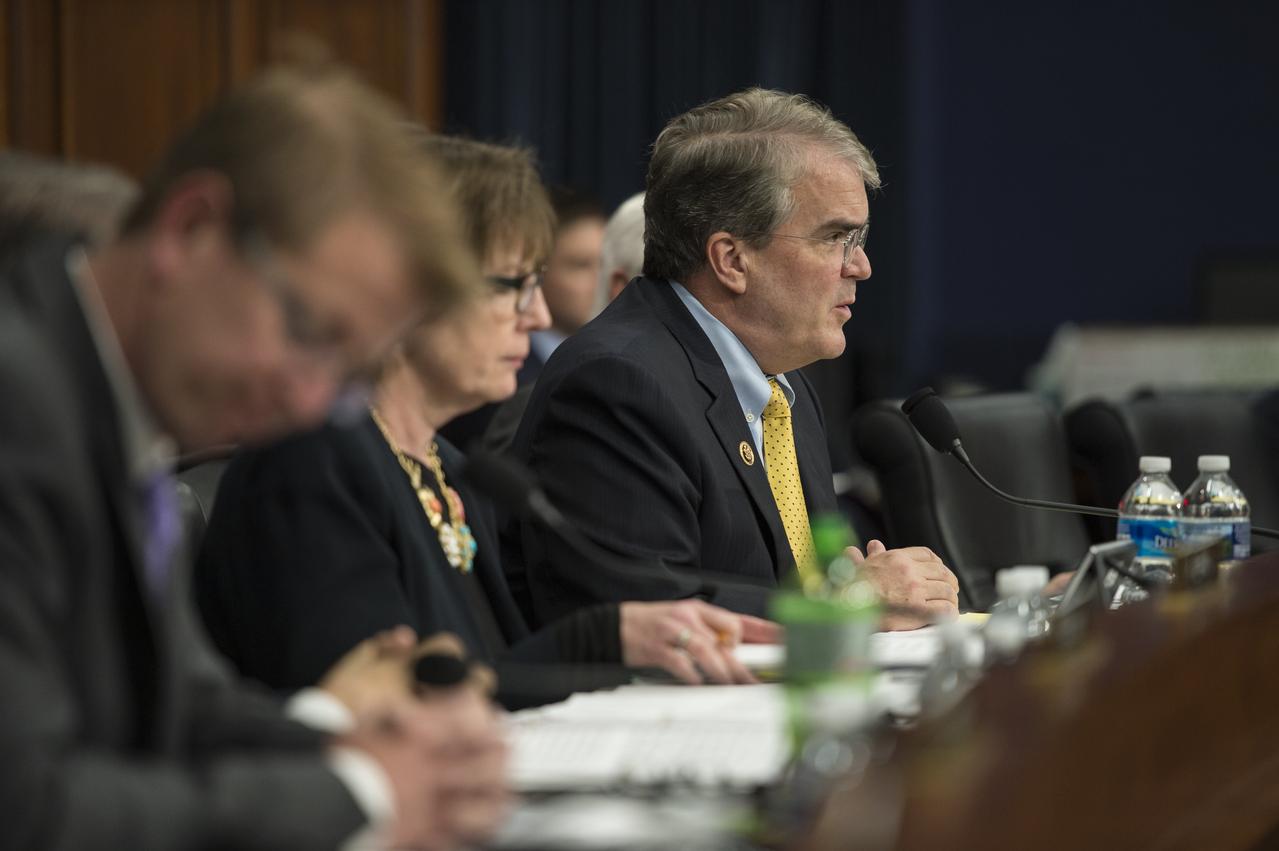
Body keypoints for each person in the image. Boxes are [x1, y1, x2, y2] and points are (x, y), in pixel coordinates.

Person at [0, 63, 509, 851]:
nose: (309, 404)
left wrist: (369, 742)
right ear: (190, 229)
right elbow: (28, 811)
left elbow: (183, 706)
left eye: (348, 377)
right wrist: (361, 790)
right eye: (310, 334)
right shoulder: (19, 401)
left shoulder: (105, 396)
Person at [197, 136, 769, 711]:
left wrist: (611, 634)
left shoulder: (448, 466)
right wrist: (598, 637)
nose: (539, 316)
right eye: (513, 286)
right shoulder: (310, 462)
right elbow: (386, 711)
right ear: (408, 288)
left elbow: (490, 676)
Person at [509, 88, 961, 630]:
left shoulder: (781, 385)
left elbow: (798, 585)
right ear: (732, 259)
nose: (860, 266)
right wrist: (850, 604)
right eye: (836, 237)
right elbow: (643, 616)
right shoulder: (618, 383)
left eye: (858, 238)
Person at [480, 189, 646, 454]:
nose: (598, 279)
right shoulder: (503, 381)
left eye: (601, 264)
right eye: (581, 265)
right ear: (540, 275)